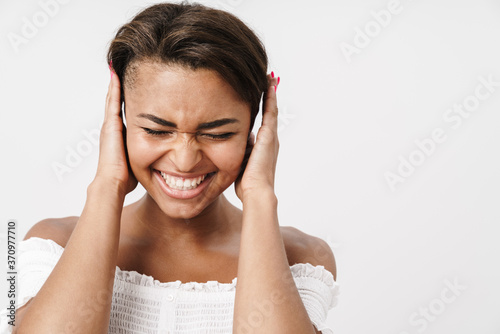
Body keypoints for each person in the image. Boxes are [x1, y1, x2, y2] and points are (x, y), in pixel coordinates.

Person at [2, 2, 339, 333]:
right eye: (156, 130)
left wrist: (260, 196)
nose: (184, 159)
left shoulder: (302, 258)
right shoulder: (53, 244)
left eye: (218, 133)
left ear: (256, 130)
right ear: (119, 122)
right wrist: (107, 185)